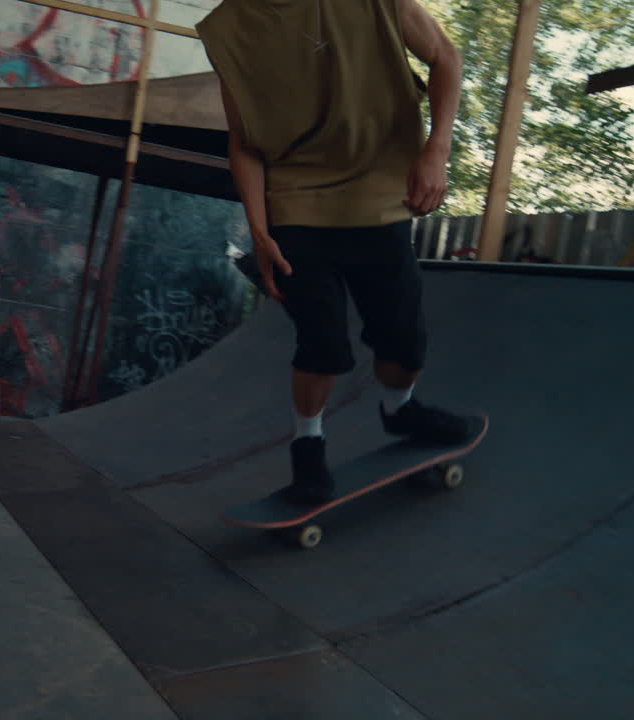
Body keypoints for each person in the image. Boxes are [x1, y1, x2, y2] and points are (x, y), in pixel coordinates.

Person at [196, 0, 472, 505]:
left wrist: (436, 150)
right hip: (297, 204)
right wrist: (259, 233)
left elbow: (446, 59)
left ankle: (400, 408)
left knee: (403, 341)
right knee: (322, 343)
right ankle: (309, 446)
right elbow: (245, 142)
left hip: (381, 197)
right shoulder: (232, 28)